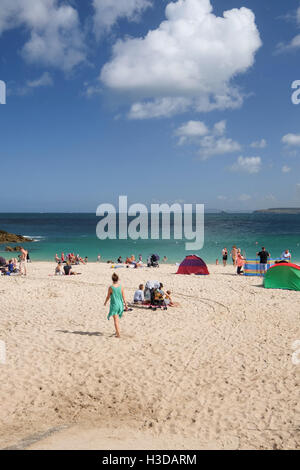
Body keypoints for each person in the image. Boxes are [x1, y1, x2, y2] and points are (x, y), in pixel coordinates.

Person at [104, 273, 127, 338]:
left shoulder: (111, 287)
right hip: (120, 305)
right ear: (118, 279)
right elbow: (124, 297)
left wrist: (105, 302)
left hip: (114, 305)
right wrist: (126, 305)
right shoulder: (121, 287)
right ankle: (117, 331)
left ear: (112, 279)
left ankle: (118, 334)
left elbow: (108, 296)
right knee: (117, 319)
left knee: (115, 320)